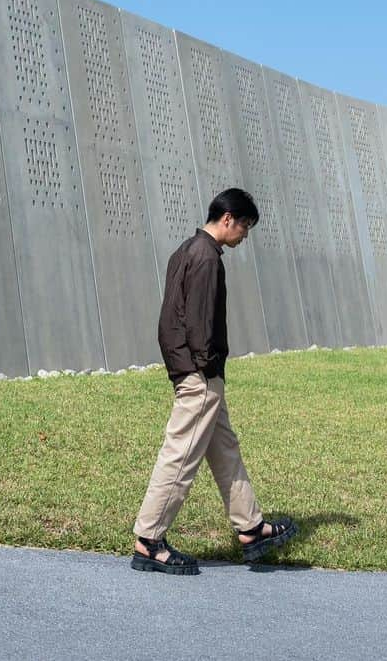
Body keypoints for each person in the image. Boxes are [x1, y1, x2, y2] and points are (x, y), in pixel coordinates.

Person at [131, 187, 297, 574]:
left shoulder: (185, 251)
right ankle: (149, 540)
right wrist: (204, 369)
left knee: (224, 449)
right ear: (228, 219)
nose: (244, 236)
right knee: (181, 454)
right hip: (200, 375)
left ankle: (252, 528)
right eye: (245, 227)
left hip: (193, 371)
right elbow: (199, 323)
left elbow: (168, 319)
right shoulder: (207, 259)